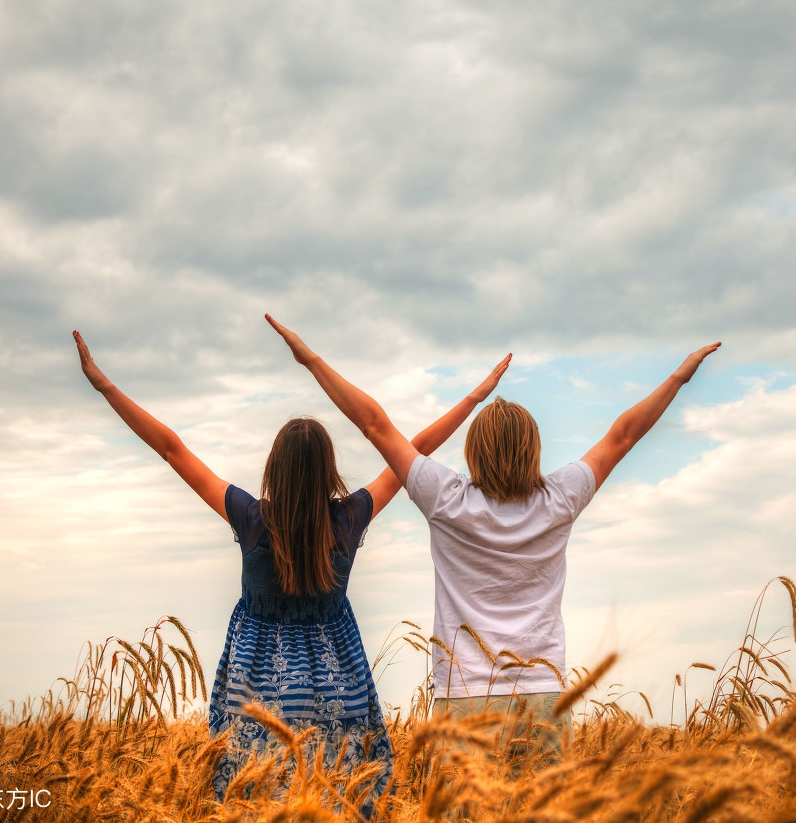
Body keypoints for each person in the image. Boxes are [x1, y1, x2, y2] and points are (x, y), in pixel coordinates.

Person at [72, 329, 511, 810]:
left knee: (254, 797)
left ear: (273, 468)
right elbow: (418, 447)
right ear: (329, 471)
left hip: (255, 683)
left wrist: (106, 387)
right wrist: (475, 395)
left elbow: (173, 450)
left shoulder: (251, 518)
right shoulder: (348, 519)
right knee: (337, 795)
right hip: (338, 680)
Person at [265, 314, 720, 768]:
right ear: (534, 448)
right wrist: (678, 378)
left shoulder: (446, 499)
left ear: (473, 451)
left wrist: (311, 361)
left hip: (462, 699)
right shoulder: (561, 498)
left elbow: (376, 426)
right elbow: (624, 435)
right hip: (543, 700)